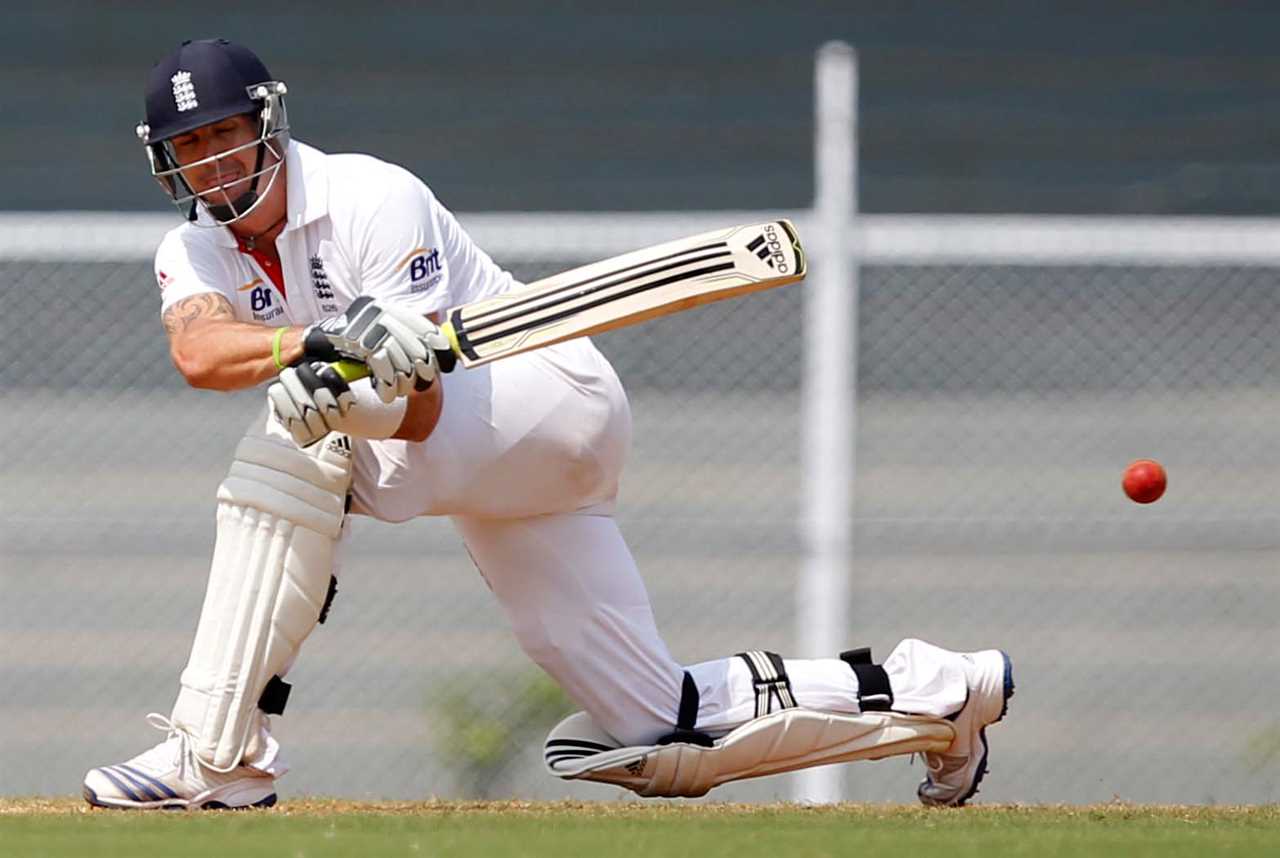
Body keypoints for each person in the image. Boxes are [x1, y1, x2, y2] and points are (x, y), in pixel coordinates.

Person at [83, 38, 1013, 811]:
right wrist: (317, 342)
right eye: (192, 146)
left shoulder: (370, 196)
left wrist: (332, 376)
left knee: (300, 440)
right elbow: (200, 353)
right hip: (492, 479)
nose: (212, 161)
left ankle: (217, 755)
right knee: (659, 731)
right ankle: (941, 695)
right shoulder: (194, 246)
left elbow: (422, 412)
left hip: (537, 398)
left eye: (227, 135)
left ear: (267, 127)